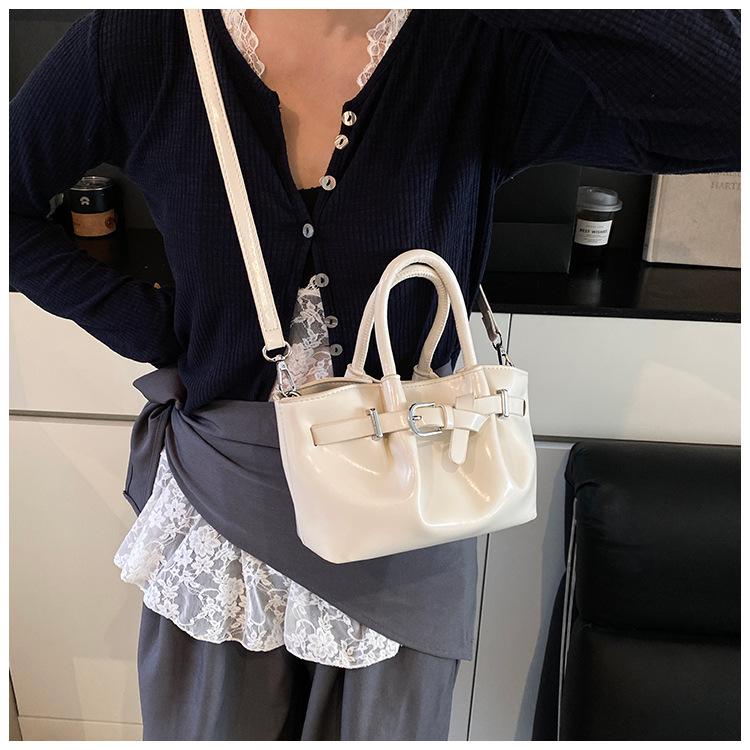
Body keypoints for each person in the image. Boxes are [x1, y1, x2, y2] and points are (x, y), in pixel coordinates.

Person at [9, 8, 740, 741]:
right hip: (225, 524)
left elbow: (724, 106)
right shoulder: (147, 36)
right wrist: (151, 329)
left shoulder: (479, 43)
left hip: (412, 517)